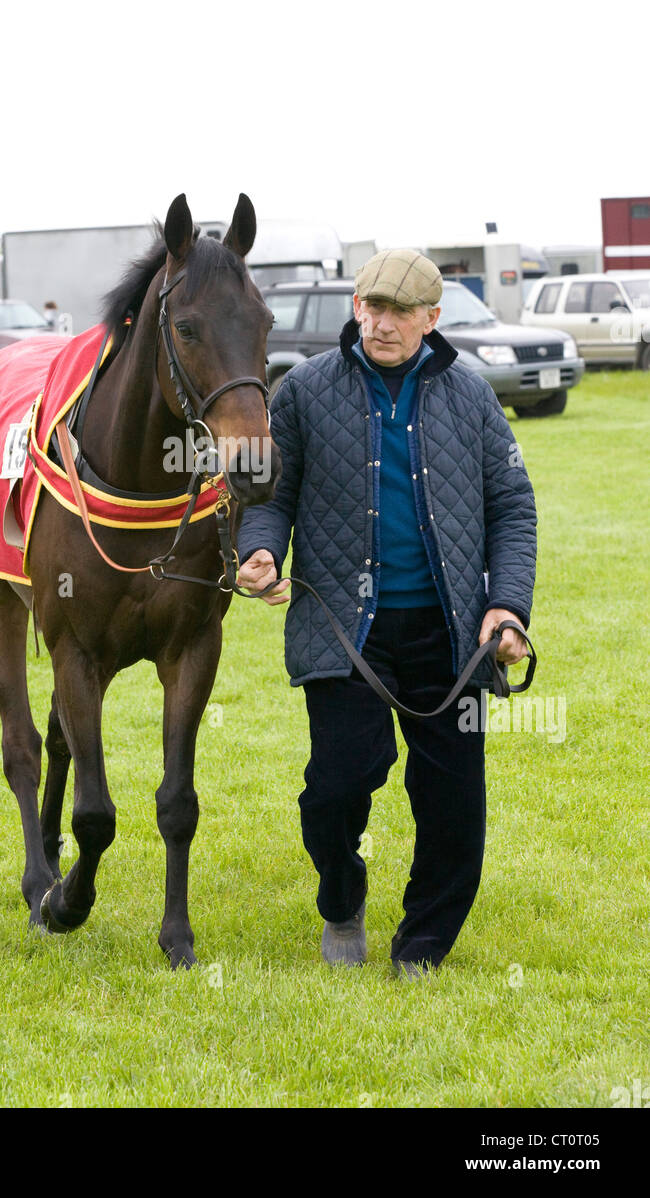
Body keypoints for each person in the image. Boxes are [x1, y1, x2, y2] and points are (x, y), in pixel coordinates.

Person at [237, 249, 536, 978]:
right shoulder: (303, 391)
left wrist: (507, 605)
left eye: (402, 311)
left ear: (434, 318)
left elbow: (512, 505)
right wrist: (260, 552)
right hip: (345, 629)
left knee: (454, 802)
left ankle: (424, 943)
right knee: (336, 786)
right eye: (373, 306)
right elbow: (269, 493)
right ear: (355, 307)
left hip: (452, 633)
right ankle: (342, 899)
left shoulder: (471, 395)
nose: (383, 322)